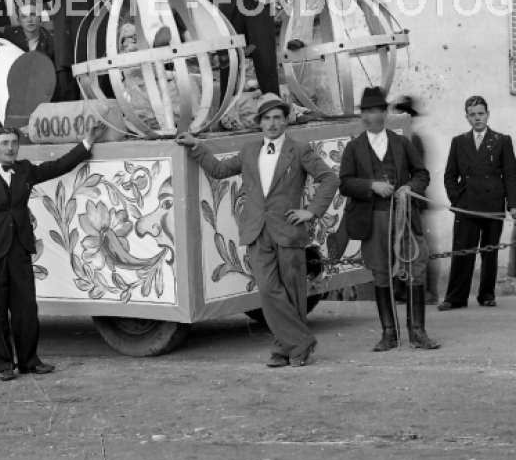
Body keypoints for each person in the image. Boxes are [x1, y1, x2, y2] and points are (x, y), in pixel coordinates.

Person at [177, 94, 338, 367]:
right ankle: (300, 342)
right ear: (259, 123)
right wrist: (197, 147)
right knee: (267, 290)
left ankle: (285, 349)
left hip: (288, 230)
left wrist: (310, 211)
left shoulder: (299, 150)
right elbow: (218, 170)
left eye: (277, 118)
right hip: (256, 231)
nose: (272, 123)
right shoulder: (250, 149)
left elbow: (329, 178)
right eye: (267, 118)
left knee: (292, 292)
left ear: (286, 121)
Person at [0, 123, 106, 380]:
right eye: (4, 143)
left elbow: (58, 167)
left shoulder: (24, 170)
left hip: (20, 250)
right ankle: (5, 365)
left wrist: (86, 143)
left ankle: (29, 361)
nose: (10, 148)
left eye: (14, 143)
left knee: (26, 310)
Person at [338, 86, 439, 351]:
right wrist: (371, 186)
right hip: (373, 219)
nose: (377, 115)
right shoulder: (353, 147)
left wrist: (411, 188)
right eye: (371, 111)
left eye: (381, 109)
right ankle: (389, 334)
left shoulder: (401, 142)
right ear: (363, 116)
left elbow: (422, 175)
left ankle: (418, 333)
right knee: (381, 273)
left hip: (405, 217)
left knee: (416, 267)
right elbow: (345, 184)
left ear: (386, 113)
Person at [438, 95, 516, 311]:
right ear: (467, 118)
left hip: (493, 204)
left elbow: (510, 175)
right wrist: (456, 198)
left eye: (481, 113)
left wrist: (513, 205)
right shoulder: (459, 141)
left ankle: (487, 295)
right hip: (466, 205)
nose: (477, 118)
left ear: (488, 115)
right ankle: (456, 298)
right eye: (472, 115)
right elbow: (449, 175)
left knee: (489, 251)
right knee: (462, 251)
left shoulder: (502, 140)